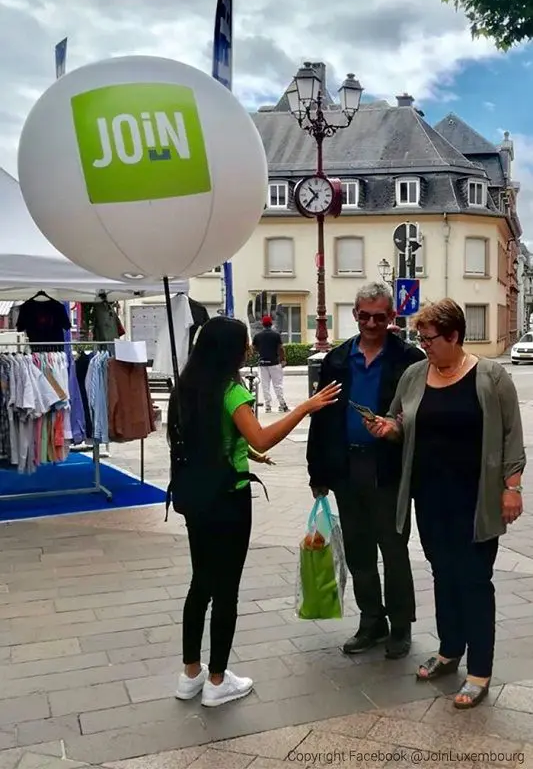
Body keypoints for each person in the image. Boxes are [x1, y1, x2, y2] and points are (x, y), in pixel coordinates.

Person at [170, 316, 341, 707]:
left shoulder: (187, 386)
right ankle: (217, 681)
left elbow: (206, 438)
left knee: (201, 584)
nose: (248, 349)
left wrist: (245, 452)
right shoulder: (231, 392)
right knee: (226, 590)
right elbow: (262, 434)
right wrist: (306, 407)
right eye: (244, 343)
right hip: (228, 500)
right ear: (229, 350)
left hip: (195, 498)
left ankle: (190, 674)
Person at [365, 299, 525, 709]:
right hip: (429, 498)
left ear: (454, 336)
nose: (424, 345)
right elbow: (401, 420)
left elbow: (511, 436)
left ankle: (480, 670)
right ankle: (450, 649)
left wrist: (512, 487)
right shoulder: (415, 375)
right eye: (420, 337)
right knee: (442, 573)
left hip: (476, 500)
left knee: (474, 579)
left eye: (430, 338)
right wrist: (388, 428)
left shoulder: (491, 376)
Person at [307, 282, 425, 659]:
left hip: (388, 468)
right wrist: (318, 472)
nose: (371, 323)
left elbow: (421, 412)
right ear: (355, 315)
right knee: (359, 551)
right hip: (346, 467)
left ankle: (400, 625)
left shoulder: (409, 358)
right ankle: (371, 621)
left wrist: (398, 429)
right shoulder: (337, 360)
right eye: (364, 316)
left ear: (392, 317)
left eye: (380, 316)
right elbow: (321, 417)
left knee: (393, 548)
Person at [252, 315, 289, 413]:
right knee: (278, 385)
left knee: (265, 385)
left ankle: (267, 406)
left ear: (262, 324)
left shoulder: (257, 336)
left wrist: (261, 351)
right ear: (271, 323)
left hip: (262, 363)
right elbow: (280, 348)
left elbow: (254, 349)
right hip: (274, 362)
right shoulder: (276, 335)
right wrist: (283, 360)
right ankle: (282, 405)